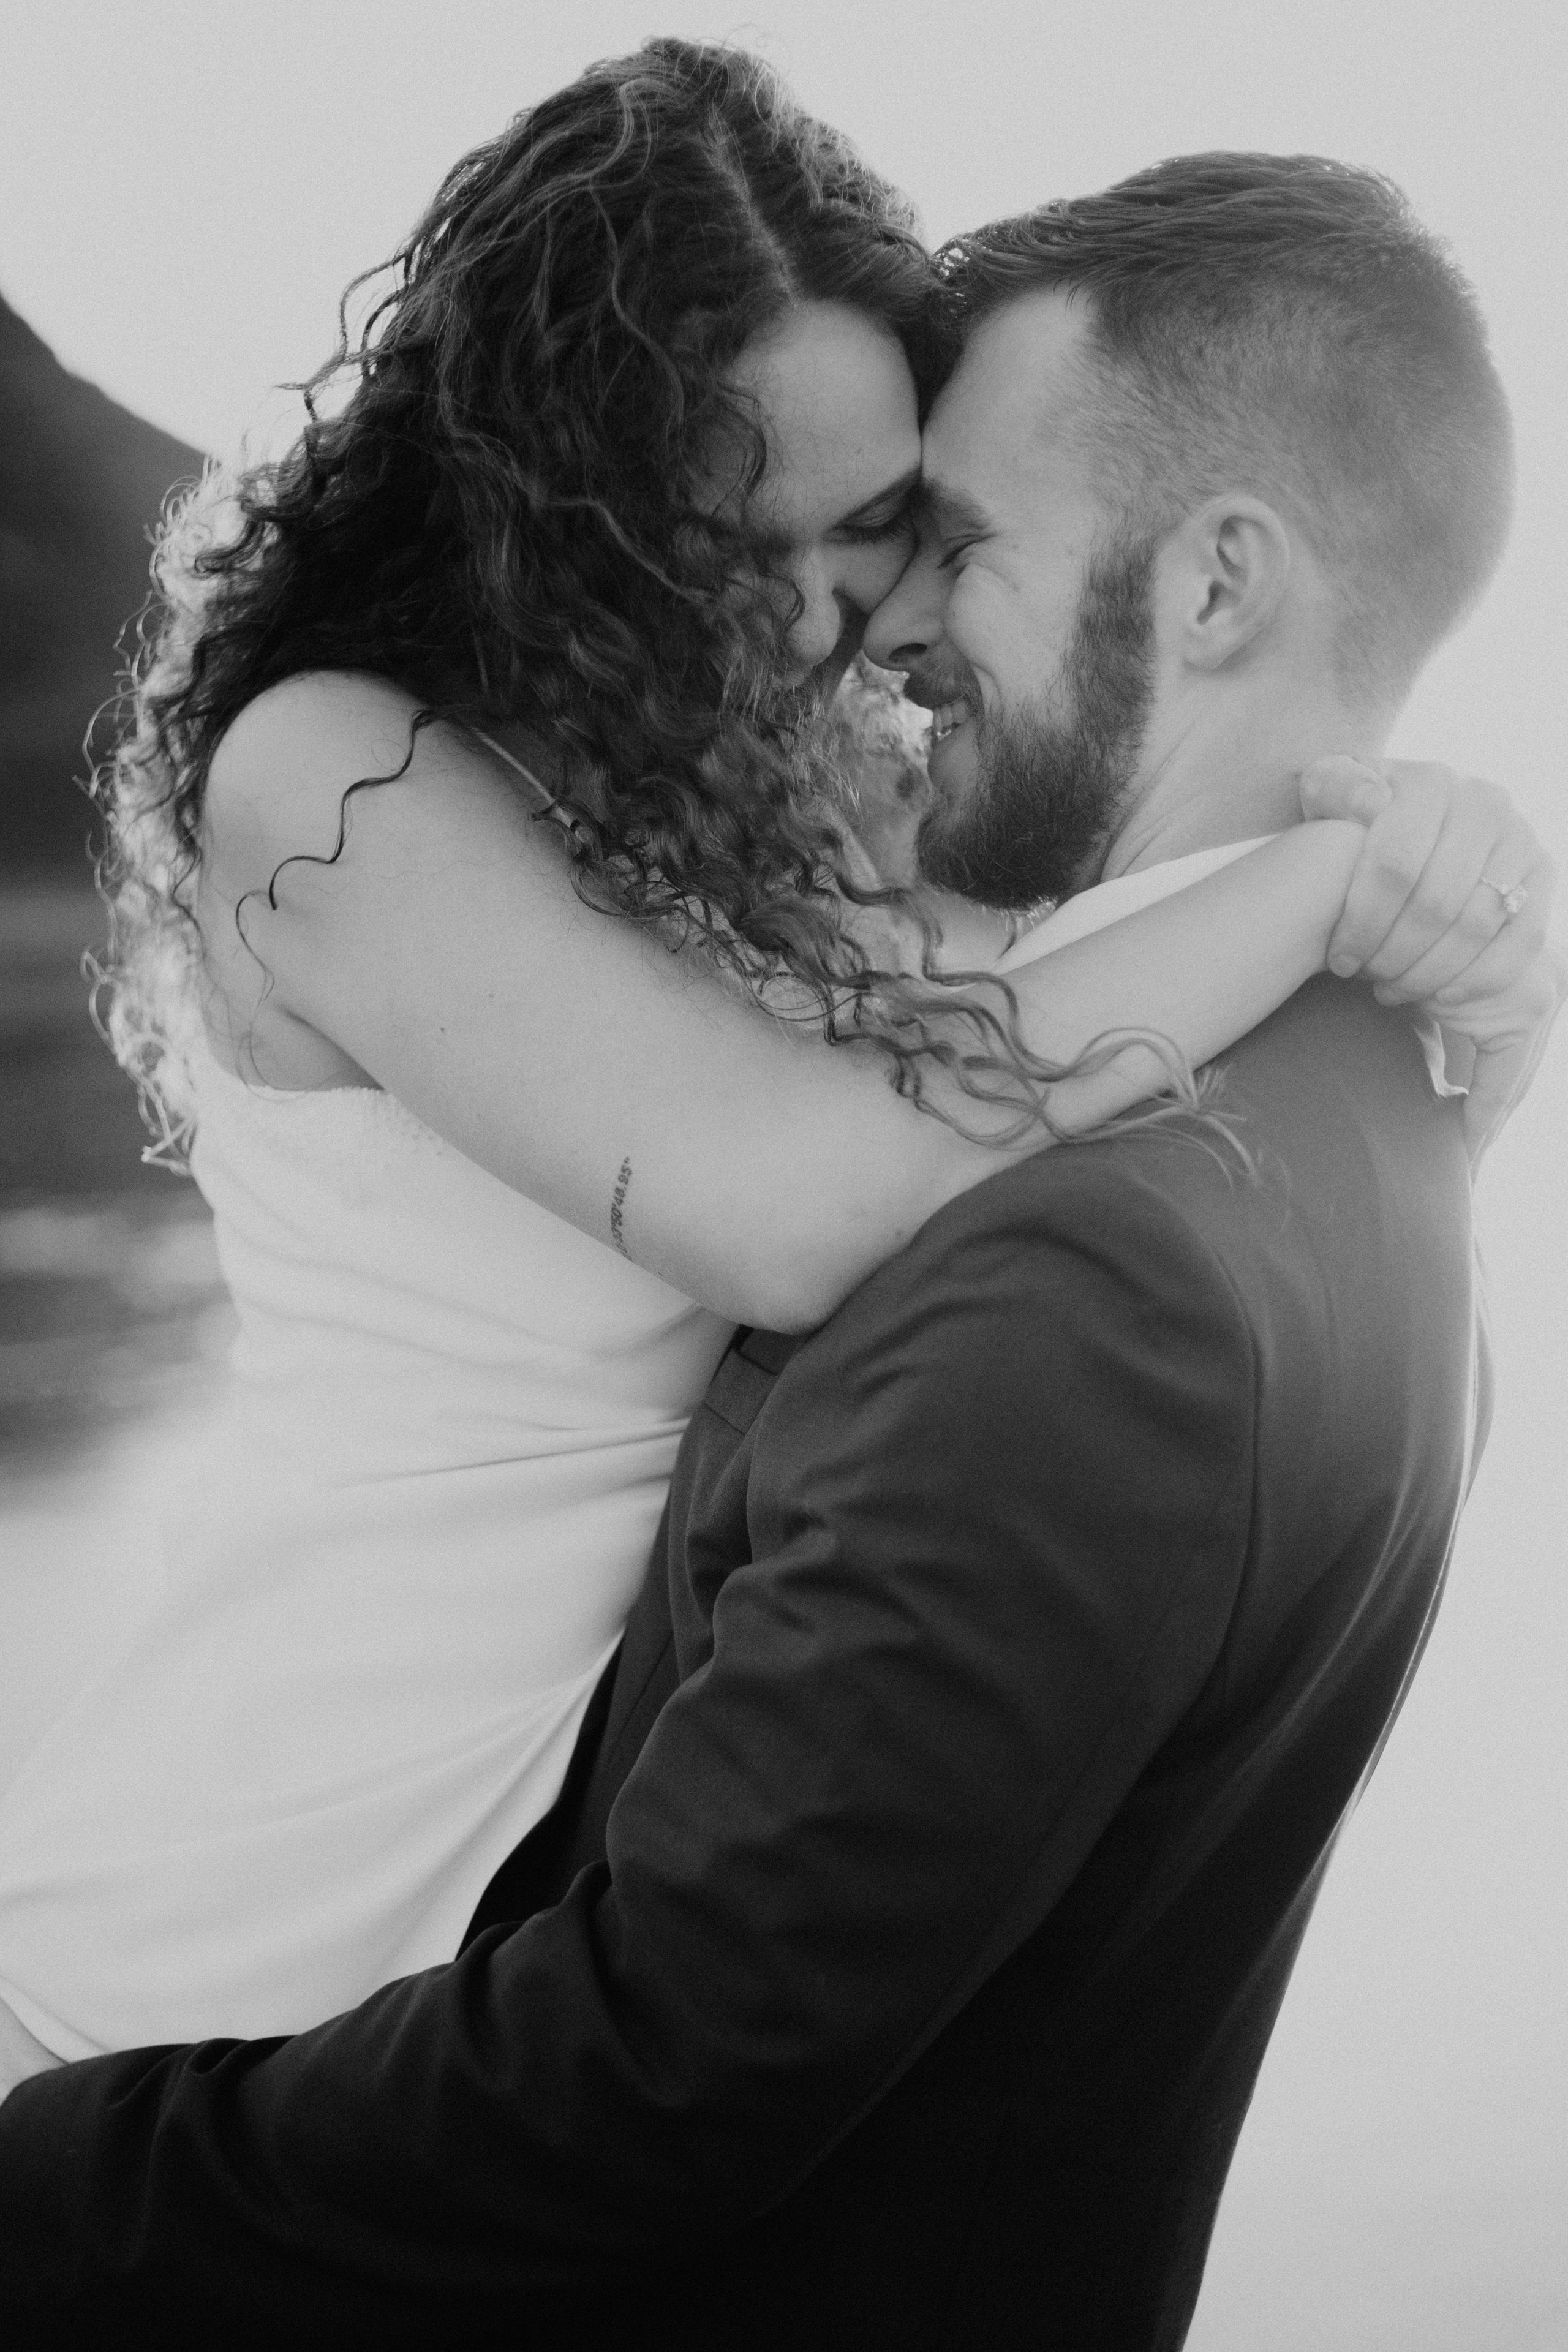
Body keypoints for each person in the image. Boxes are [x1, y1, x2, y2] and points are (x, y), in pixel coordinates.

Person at [0, 139, 1561, 2345]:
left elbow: (1066, 1051)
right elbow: (820, 1195)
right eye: (710, 532)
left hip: (540, 1903)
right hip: (259, 1904)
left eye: (872, 527)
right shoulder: (335, 775)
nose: (814, 618)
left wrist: (1457, 883)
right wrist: (1337, 890)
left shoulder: (798, 805)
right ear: (551, 496)